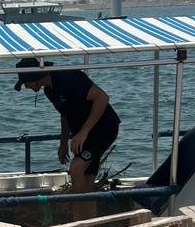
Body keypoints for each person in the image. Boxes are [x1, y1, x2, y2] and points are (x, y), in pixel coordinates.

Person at [14, 56, 120, 192]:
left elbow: (102, 97)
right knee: (86, 178)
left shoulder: (68, 78)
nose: (26, 86)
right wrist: (63, 143)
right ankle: (86, 205)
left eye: (26, 83)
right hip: (83, 133)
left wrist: (83, 132)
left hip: (103, 128)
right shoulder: (49, 91)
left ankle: (79, 202)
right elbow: (65, 115)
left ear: (34, 77)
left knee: (76, 169)